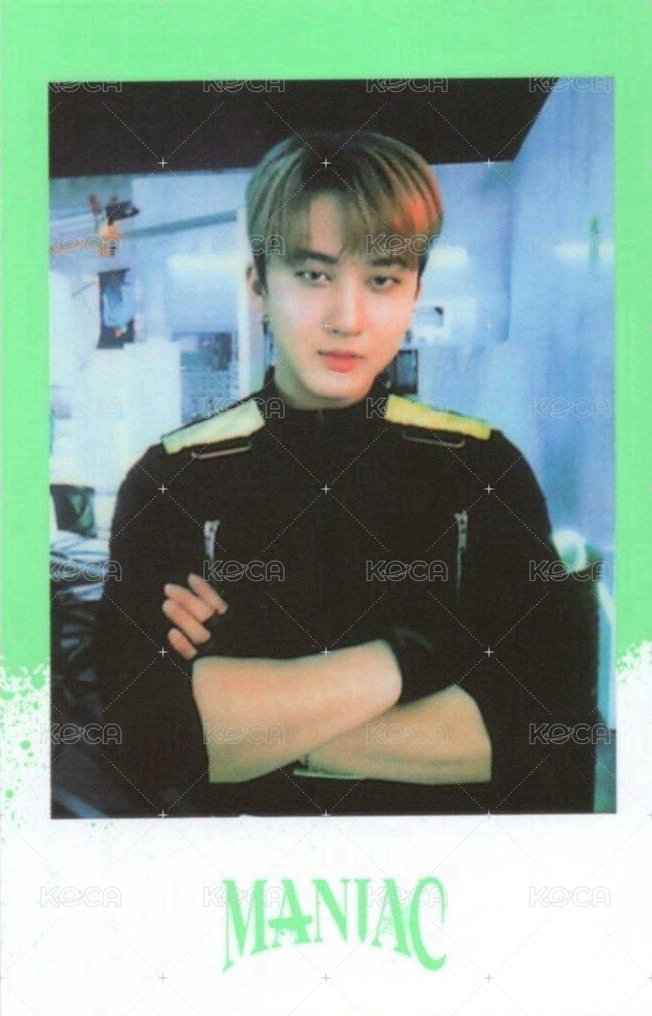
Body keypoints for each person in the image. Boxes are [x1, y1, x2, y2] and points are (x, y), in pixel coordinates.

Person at [93, 130, 597, 818]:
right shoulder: (173, 481)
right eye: (313, 275)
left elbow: (541, 736)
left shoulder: (481, 469)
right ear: (258, 286)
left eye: (382, 280)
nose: (347, 319)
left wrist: (258, 715)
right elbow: (148, 742)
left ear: (415, 292)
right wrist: (421, 653)